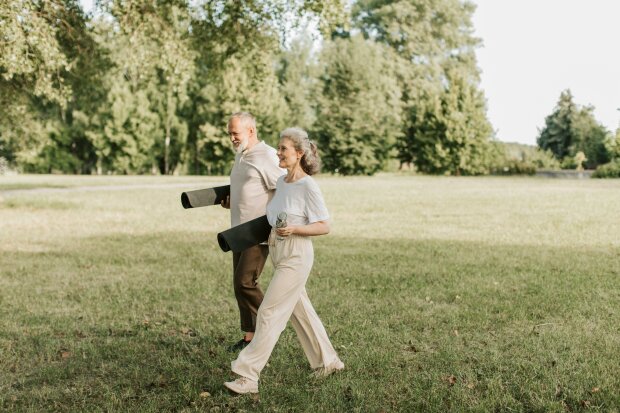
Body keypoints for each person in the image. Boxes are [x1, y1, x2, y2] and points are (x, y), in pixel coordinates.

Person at [224, 127, 344, 394]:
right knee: (301, 313)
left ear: (299, 154)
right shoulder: (282, 182)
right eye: (278, 148)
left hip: (297, 255)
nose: (277, 153)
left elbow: (324, 226)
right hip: (279, 252)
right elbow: (271, 214)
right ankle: (328, 361)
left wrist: (295, 229)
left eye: (283, 149)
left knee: (269, 312)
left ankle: (247, 376)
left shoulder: (307, 186)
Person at [222, 112, 284, 352]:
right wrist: (231, 200)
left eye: (235, 133)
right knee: (239, 284)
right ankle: (250, 337)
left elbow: (284, 189)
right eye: (229, 134)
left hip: (257, 231)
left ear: (251, 130)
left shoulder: (267, 155)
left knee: (245, 281)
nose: (232, 138)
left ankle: (271, 328)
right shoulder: (242, 155)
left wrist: (277, 222)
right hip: (238, 230)